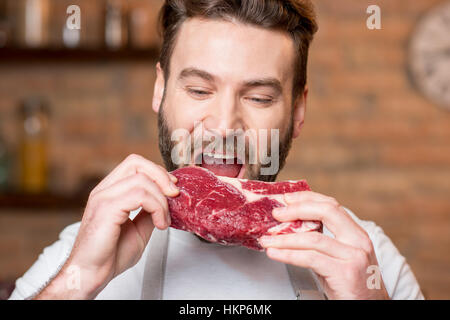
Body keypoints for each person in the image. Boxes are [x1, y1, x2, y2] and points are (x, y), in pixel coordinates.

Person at [10, 0, 423, 300]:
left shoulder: (367, 258)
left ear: (298, 109)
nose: (225, 125)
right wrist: (78, 281)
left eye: (259, 97)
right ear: (161, 90)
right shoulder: (83, 250)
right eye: (199, 90)